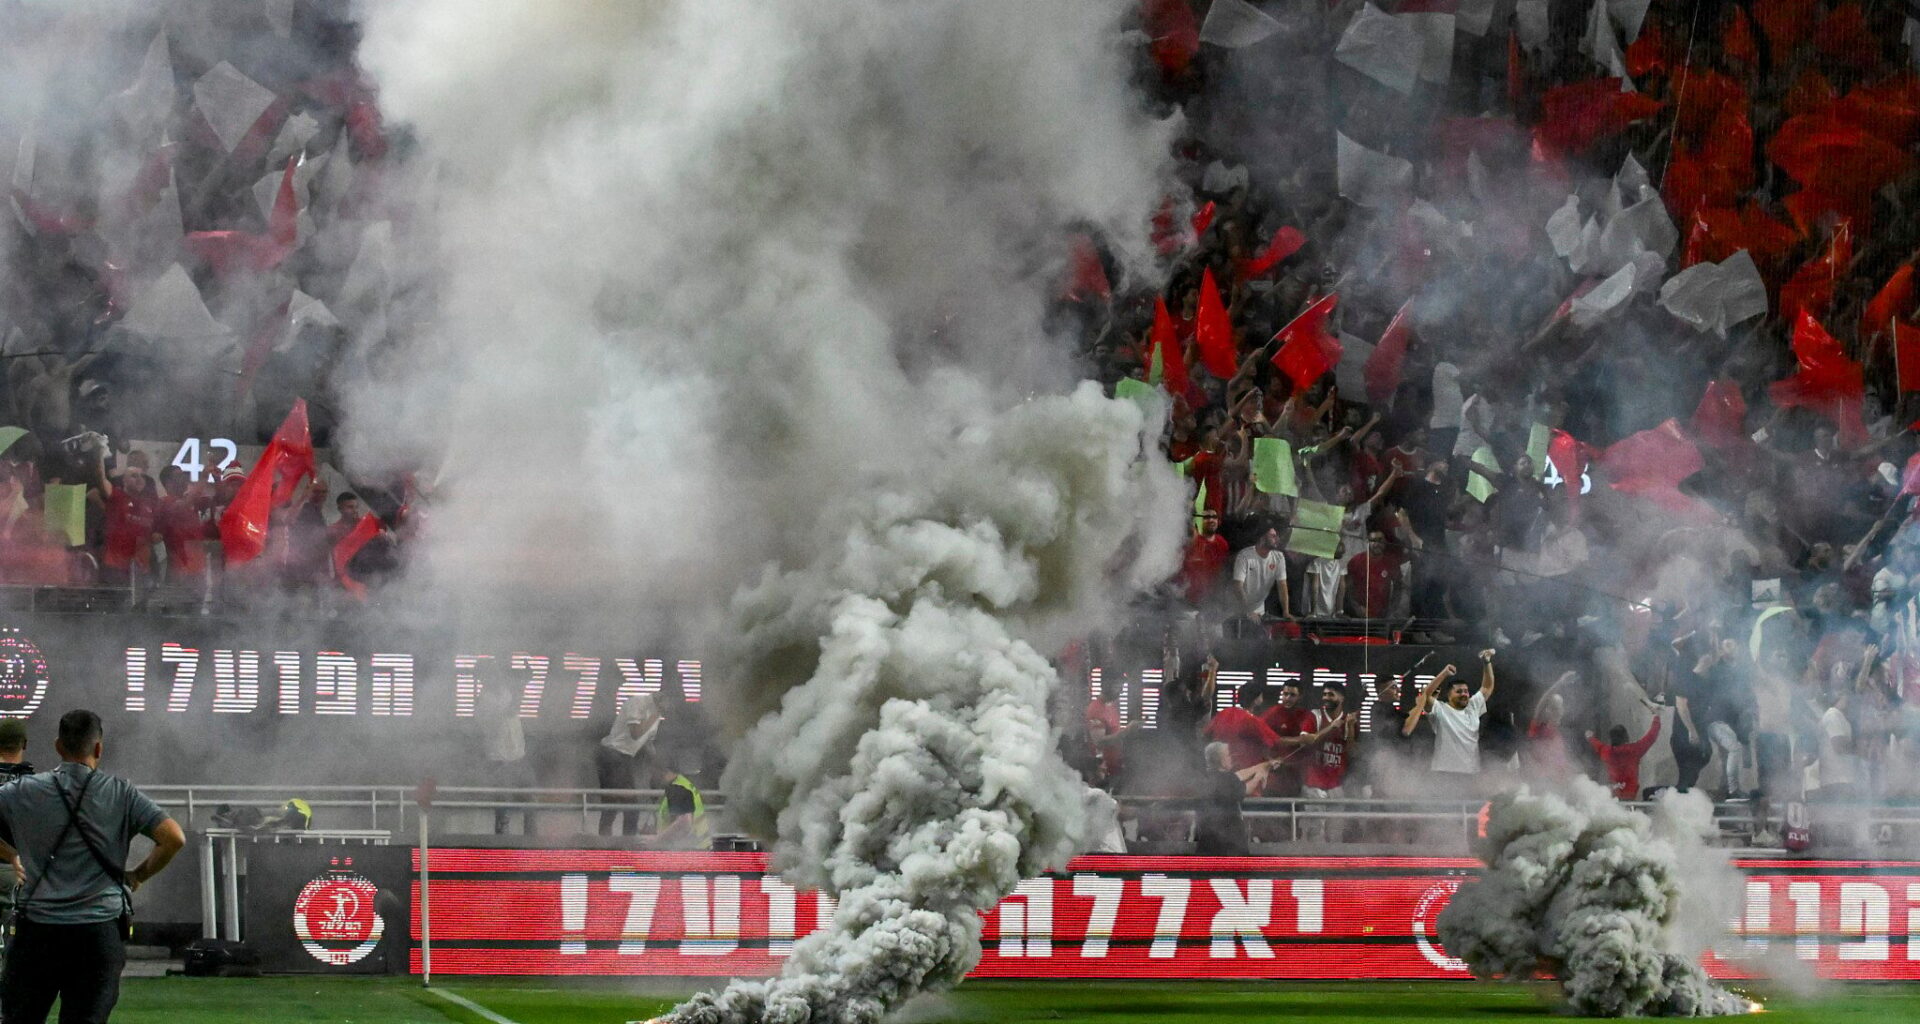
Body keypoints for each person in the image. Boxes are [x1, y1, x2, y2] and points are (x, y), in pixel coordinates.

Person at [0, 710, 184, 1024]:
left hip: (36, 932)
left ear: (58, 746)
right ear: (98, 749)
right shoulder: (121, 794)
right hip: (97, 933)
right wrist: (137, 875)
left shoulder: (22, 792)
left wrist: (12, 856)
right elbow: (173, 838)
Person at [1406, 650, 1497, 788]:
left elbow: (1487, 687)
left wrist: (1487, 662)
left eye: (1466, 691)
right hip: (1444, 773)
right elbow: (1426, 695)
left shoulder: (1472, 707)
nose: (1464, 694)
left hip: (1471, 772)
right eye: (1459, 691)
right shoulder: (1440, 709)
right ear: (1448, 695)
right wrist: (1444, 673)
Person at [597, 692, 661, 836]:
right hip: (612, 754)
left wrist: (655, 765)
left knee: (625, 804)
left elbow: (647, 742)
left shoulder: (656, 715)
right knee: (620, 803)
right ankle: (615, 845)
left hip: (624, 757)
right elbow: (635, 733)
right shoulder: (638, 703)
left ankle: (624, 843)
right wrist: (653, 717)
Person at [478, 682, 535, 836]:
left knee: (530, 799)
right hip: (499, 759)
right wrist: (523, 684)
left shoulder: (505, 690)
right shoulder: (484, 700)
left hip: (518, 756)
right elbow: (508, 712)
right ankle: (502, 841)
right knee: (502, 802)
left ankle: (532, 840)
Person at [1587, 716, 1663, 801]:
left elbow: (1599, 746)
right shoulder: (1634, 750)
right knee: (1647, 793)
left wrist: (1590, 737)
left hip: (1614, 795)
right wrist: (1657, 718)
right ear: (1625, 737)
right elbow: (1651, 736)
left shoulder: (1607, 752)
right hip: (1630, 796)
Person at [1230, 524, 1291, 629]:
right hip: (1239, 610)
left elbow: (1282, 586)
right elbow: (1237, 586)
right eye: (1273, 536)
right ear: (1262, 538)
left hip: (1259, 613)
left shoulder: (1279, 557)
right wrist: (1248, 611)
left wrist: (1286, 612)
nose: (1277, 539)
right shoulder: (1244, 556)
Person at [1193, 742, 1249, 855]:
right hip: (1230, 843)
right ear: (1222, 761)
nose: (1231, 758)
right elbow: (1244, 791)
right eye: (1228, 755)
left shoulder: (1201, 779)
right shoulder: (1230, 779)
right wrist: (1259, 775)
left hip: (1207, 840)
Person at [648, 754, 709, 851]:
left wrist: (657, 840)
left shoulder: (677, 789)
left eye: (653, 773)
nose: (652, 778)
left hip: (690, 849)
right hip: (698, 845)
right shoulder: (682, 783)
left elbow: (684, 823)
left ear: (663, 771)